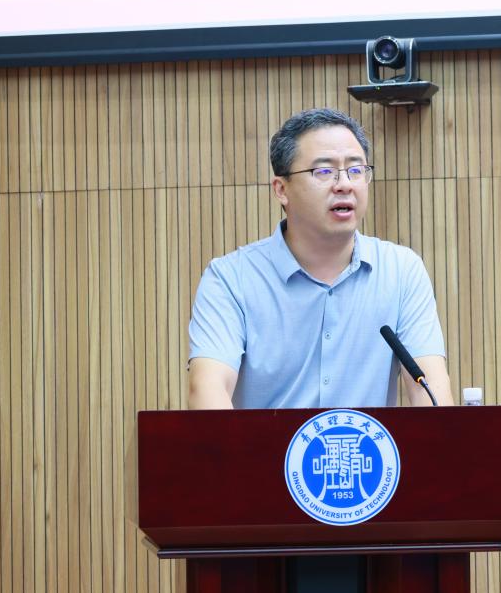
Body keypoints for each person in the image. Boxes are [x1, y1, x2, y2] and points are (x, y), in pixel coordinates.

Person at [187, 108, 453, 409]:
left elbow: (430, 389)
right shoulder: (230, 279)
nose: (344, 184)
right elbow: (207, 390)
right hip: (267, 443)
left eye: (356, 170)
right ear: (281, 189)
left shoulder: (401, 270)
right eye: (324, 172)